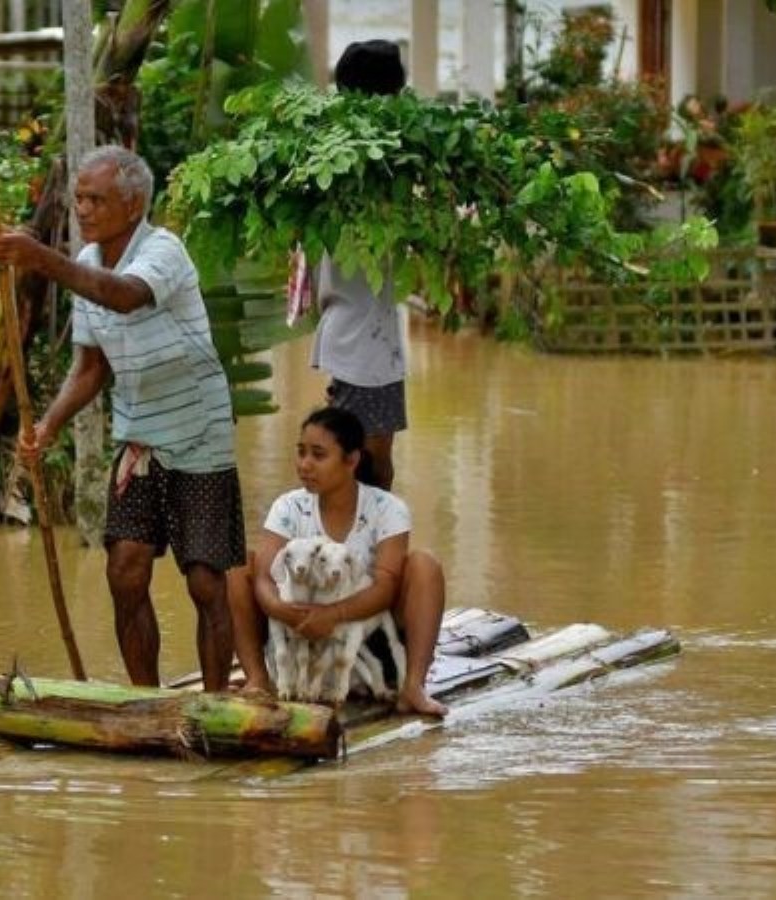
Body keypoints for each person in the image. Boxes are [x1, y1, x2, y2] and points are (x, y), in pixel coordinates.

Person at [0, 145, 245, 692]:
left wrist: (42, 259)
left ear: (133, 205)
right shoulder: (90, 267)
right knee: (125, 569)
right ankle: (146, 700)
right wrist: (47, 427)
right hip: (140, 436)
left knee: (204, 578)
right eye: (78, 198)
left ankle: (216, 701)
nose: (82, 209)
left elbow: (125, 297)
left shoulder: (163, 251)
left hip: (199, 430)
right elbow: (90, 369)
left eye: (95, 199)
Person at [228, 406, 448, 717]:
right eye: (301, 452)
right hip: (298, 640)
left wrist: (332, 616)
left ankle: (412, 686)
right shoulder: (288, 507)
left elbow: (386, 585)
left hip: (366, 644)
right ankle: (258, 679)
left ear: (352, 460)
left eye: (318, 455)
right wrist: (287, 613)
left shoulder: (388, 509)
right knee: (237, 565)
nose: (305, 464)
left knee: (425, 565)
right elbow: (264, 577)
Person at [310, 39, 411, 491]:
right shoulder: (366, 164)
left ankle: (370, 552)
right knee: (369, 463)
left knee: (371, 461)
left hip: (365, 337)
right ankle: (366, 555)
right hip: (360, 341)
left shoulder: (348, 154)